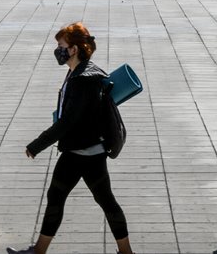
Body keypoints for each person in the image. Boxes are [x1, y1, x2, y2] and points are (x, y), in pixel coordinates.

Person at [7, 22, 133, 254]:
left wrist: (37, 144)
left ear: (74, 48)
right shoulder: (79, 71)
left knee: (76, 199)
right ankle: (125, 253)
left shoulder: (82, 79)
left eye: (61, 45)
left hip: (81, 151)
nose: (58, 50)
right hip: (85, 150)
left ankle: (39, 252)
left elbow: (67, 122)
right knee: (86, 200)